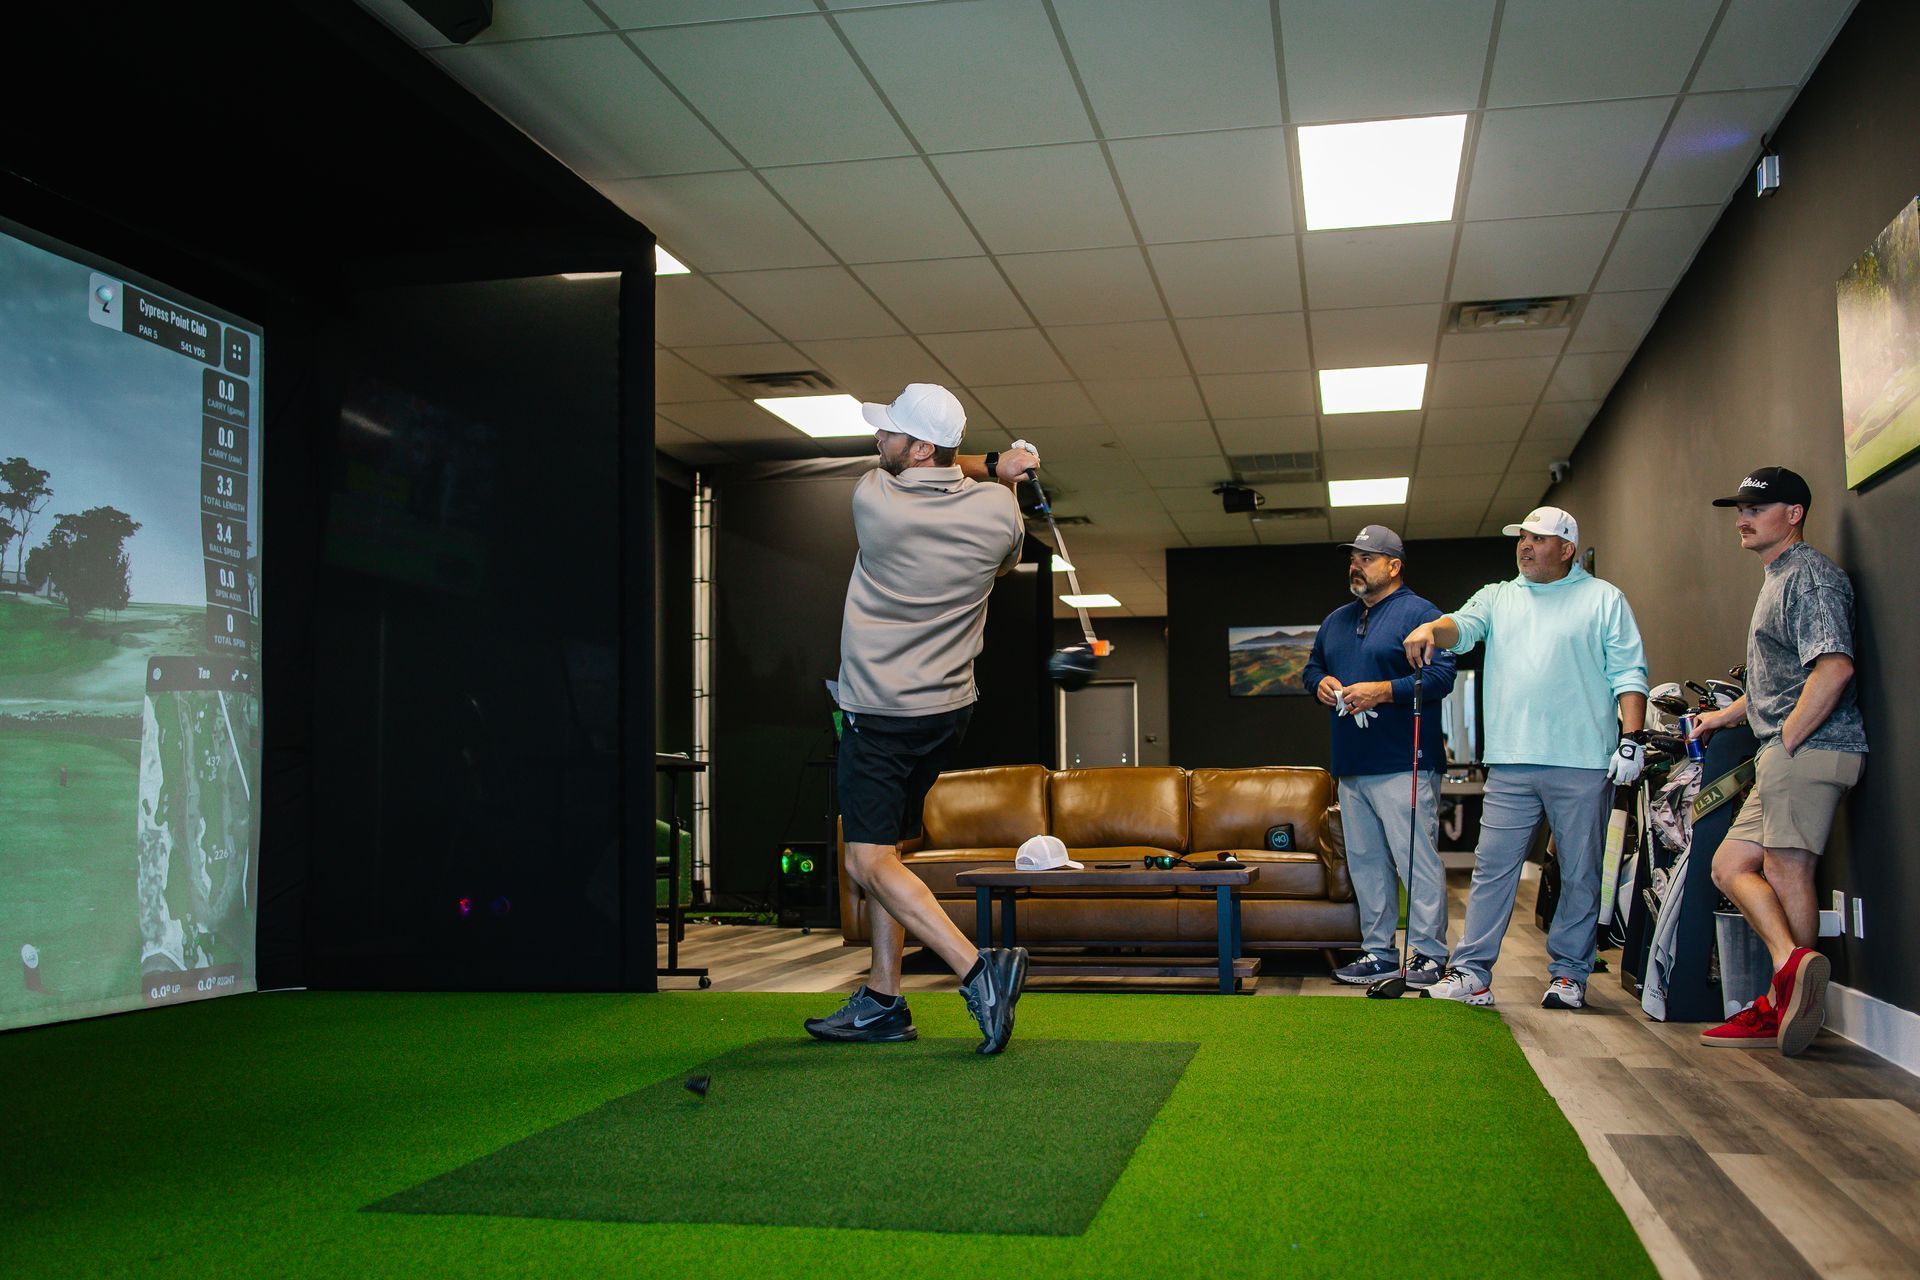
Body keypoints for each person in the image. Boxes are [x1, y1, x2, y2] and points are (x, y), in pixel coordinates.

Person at [804, 383, 1039, 1055]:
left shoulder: (873, 500)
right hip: (945, 714)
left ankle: (978, 972)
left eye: (889, 432)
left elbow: (932, 465)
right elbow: (983, 518)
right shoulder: (1001, 516)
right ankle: (883, 1000)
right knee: (891, 852)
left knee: (865, 861)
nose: (877, 439)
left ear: (918, 448)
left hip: (879, 713)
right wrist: (1003, 473)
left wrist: (994, 461)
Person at [1403, 506, 1648, 1009]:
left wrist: (1632, 738)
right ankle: (1472, 972)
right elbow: (1462, 626)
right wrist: (1431, 629)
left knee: (1580, 873)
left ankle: (1570, 975)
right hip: (1511, 760)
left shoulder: (1604, 599)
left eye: (1538, 538)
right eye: (1522, 538)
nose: (1525, 546)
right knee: (1492, 869)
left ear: (1567, 548)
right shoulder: (1499, 596)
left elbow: (1629, 673)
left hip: (1582, 760)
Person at [1690, 467, 1866, 1056]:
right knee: (1728, 866)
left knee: (1787, 871)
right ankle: (1791, 968)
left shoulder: (1809, 577)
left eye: (1756, 509)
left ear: (1794, 514)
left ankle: (1786, 1005)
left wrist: (1786, 739)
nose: (1743, 519)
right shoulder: (1778, 576)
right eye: (1739, 509)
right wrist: (1726, 716)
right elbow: (1781, 679)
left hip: (1809, 750)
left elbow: (1833, 667)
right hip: (1786, 751)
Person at [1301, 525, 1456, 988]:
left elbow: (1442, 677)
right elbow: (1312, 668)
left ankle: (1428, 955)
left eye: (1367, 558)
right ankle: (1379, 953)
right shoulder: (1336, 621)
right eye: (1353, 558)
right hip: (1352, 764)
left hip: (1405, 761)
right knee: (1366, 863)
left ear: (1394, 566)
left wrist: (1383, 691)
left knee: (1415, 861)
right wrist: (1320, 684)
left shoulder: (1421, 615)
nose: (1356, 566)